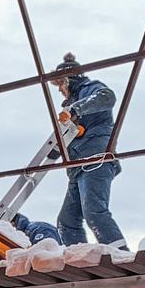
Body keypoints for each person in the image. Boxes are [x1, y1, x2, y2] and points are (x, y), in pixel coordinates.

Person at [50, 53, 126, 249]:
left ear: (69, 79)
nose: (59, 90)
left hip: (95, 160)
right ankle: (79, 258)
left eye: (60, 84)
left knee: (94, 212)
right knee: (66, 221)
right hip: (77, 167)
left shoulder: (90, 90)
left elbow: (107, 97)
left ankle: (121, 255)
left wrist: (76, 110)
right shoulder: (71, 105)